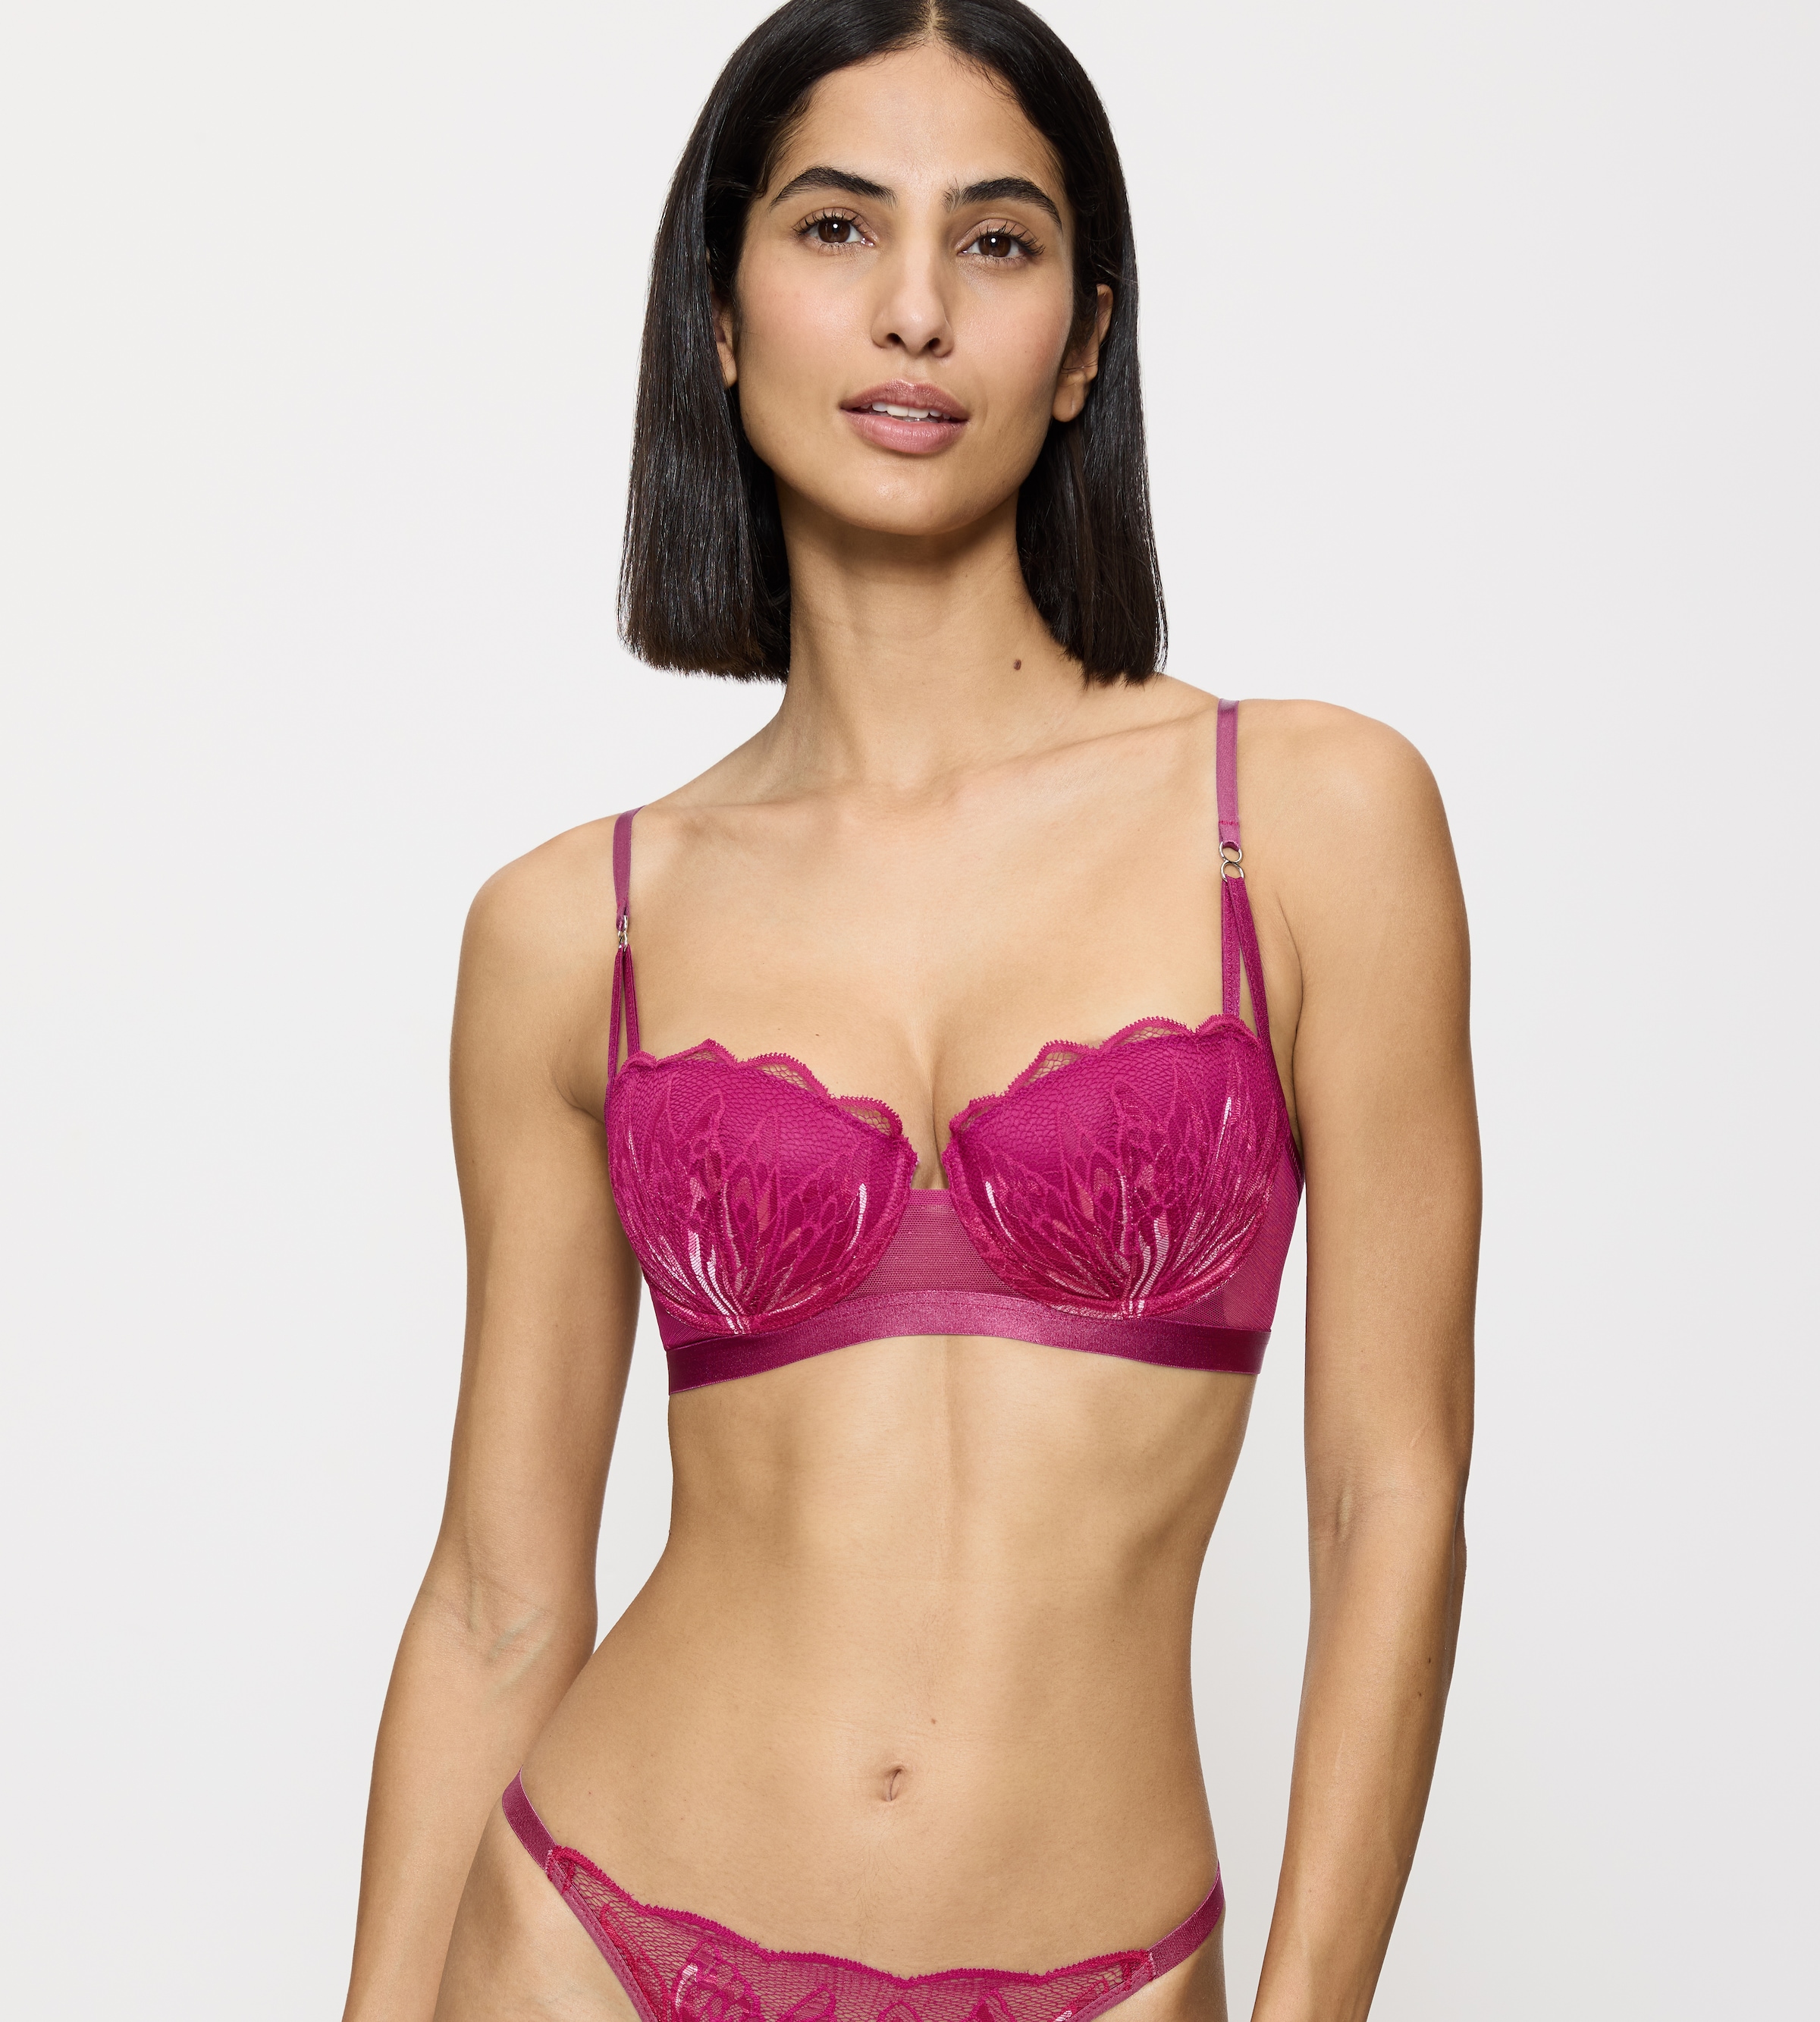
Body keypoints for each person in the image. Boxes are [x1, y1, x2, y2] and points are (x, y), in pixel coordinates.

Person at [342, 3, 1479, 2017]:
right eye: (838, 229)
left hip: (1101, 1971)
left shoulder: (1306, 821)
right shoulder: (572, 927)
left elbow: (1388, 1500)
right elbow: (500, 1596)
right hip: (588, 1946)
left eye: (999, 240)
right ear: (718, 317)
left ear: (1087, 343)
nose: (917, 312)